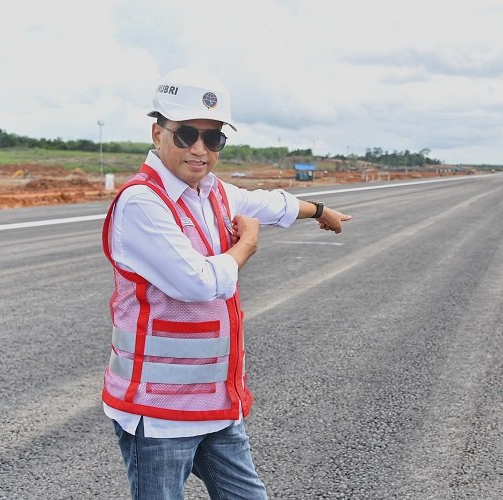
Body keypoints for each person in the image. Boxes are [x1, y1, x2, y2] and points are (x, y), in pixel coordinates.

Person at [101, 66, 352, 499]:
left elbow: (269, 203)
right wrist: (246, 245)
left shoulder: (211, 191)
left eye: (213, 138)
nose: (200, 149)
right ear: (157, 133)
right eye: (186, 135)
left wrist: (318, 209)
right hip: (159, 414)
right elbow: (198, 283)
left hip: (213, 406)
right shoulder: (143, 202)